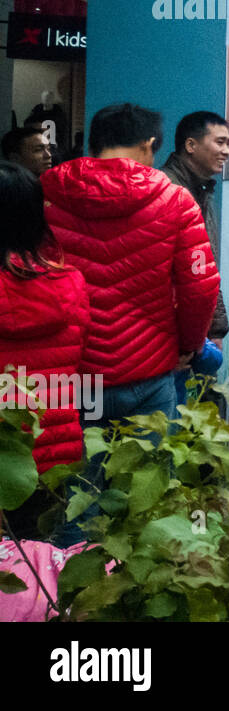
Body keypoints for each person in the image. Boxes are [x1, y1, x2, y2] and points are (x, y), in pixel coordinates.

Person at [41, 104, 219, 426]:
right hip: (148, 374)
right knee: (147, 472)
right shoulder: (177, 202)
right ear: (149, 144)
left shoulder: (46, 195)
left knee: (80, 472)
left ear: (93, 144)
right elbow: (201, 287)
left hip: (75, 373)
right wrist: (189, 346)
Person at [0, 162, 90, 541]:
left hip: (7, 451)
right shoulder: (69, 282)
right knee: (36, 569)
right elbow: (78, 362)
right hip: (53, 453)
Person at [161, 111, 229, 342]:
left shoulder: (202, 192)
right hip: (170, 332)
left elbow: (206, 268)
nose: (226, 151)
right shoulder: (165, 190)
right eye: (220, 142)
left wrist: (216, 330)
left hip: (193, 331)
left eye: (228, 143)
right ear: (191, 145)